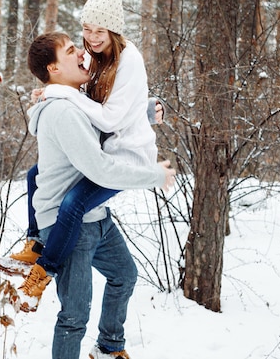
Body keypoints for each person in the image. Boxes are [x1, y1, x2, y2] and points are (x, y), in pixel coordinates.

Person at [0, 0, 164, 307]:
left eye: (99, 31)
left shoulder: (128, 60)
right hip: (108, 143)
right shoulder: (94, 58)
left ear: (114, 30)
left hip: (124, 155)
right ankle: (34, 242)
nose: (90, 39)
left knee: (73, 203)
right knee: (33, 175)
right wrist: (55, 91)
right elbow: (96, 102)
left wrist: (63, 94)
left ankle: (44, 269)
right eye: (86, 30)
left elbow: (111, 114)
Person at [23, 31, 175, 359]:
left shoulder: (76, 101)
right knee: (74, 316)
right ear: (54, 69)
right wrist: (154, 175)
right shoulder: (63, 112)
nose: (80, 52)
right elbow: (101, 169)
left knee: (124, 276)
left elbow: (110, 121)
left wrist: (145, 112)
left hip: (96, 218)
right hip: (69, 226)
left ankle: (109, 347)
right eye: (69, 51)